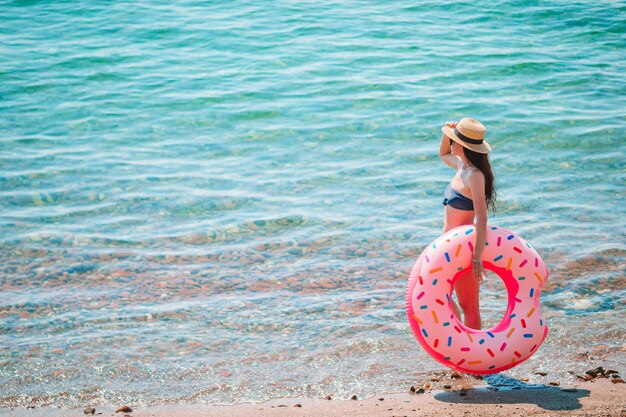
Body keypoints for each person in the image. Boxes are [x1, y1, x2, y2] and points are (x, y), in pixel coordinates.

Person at [438, 118, 496, 330]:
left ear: (462, 146)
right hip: (446, 246)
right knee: (437, 294)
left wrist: (477, 257)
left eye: (454, 140)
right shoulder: (461, 166)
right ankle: (457, 338)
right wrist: (447, 133)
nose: (451, 144)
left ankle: (474, 356)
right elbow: (443, 154)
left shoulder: (475, 176)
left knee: (469, 306)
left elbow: (482, 219)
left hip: (463, 248)